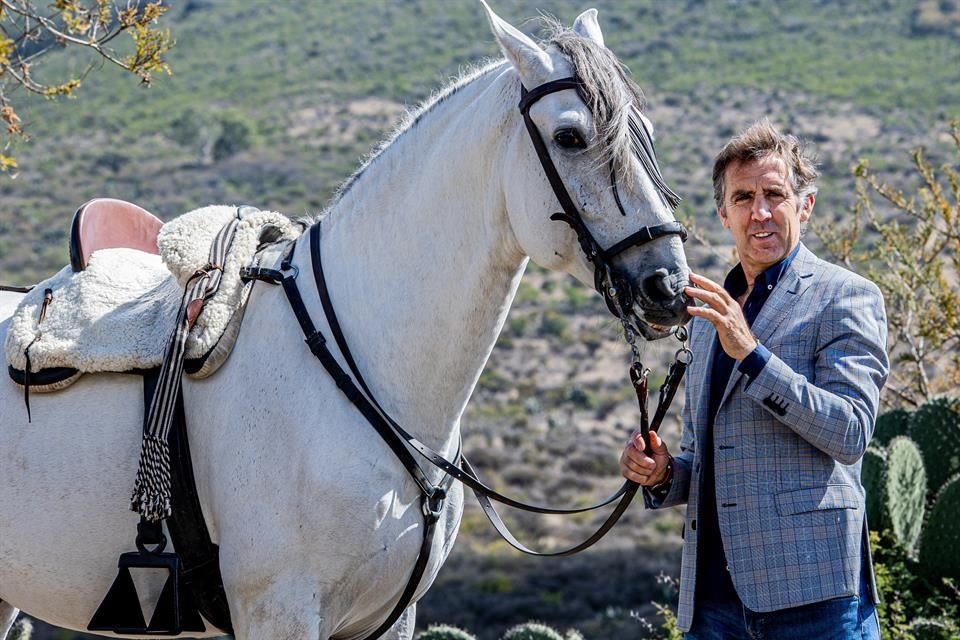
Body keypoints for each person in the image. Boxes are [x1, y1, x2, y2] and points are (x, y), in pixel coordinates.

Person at [620, 119, 888, 639]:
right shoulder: (706, 314)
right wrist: (663, 473)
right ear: (723, 214)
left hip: (814, 600)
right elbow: (707, 456)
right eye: (743, 197)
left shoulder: (846, 296)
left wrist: (752, 354)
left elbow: (851, 433)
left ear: (804, 206)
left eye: (775, 194)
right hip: (714, 604)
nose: (760, 212)